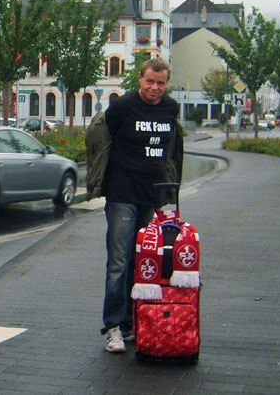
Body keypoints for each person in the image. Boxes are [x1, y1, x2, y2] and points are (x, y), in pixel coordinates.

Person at [85, 58, 184, 353]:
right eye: (150, 81)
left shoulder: (171, 108)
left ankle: (132, 322)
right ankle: (113, 327)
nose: (155, 88)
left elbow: (170, 150)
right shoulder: (122, 107)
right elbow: (99, 140)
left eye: (161, 83)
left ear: (167, 84)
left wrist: (170, 188)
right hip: (122, 194)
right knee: (118, 263)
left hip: (151, 197)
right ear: (140, 79)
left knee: (141, 263)